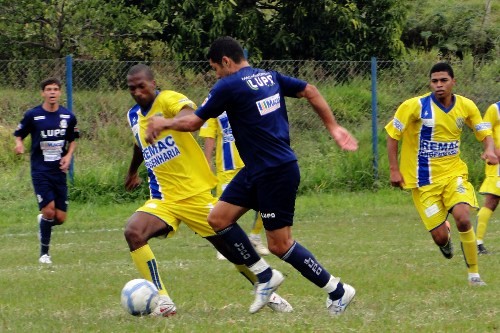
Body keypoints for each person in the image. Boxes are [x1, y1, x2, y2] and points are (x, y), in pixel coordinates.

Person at [145, 36, 358, 316]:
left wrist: (165, 122)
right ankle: (266, 276)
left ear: (225, 61)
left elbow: (194, 122)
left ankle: (338, 291)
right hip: (257, 169)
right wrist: (333, 126)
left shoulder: (228, 85)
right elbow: (311, 90)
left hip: (275, 172)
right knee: (218, 219)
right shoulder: (269, 76)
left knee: (280, 244)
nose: (216, 75)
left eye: (215, 69)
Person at [123, 64, 292, 317]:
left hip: (195, 194)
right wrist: (132, 171)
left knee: (231, 250)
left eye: (141, 86)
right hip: (164, 198)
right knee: (133, 232)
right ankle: (163, 300)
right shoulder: (133, 115)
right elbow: (140, 144)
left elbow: (190, 116)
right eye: (131, 88)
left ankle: (268, 290)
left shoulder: (168, 99)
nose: (137, 92)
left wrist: (165, 123)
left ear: (153, 83)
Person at [385, 62, 498, 286]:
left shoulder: (466, 106)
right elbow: (392, 134)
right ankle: (444, 235)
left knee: (463, 217)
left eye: (443, 80)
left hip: (453, 174)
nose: (439, 85)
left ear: (453, 82)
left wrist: (489, 149)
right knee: (440, 237)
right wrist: (394, 170)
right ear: (430, 83)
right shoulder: (414, 106)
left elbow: (484, 131)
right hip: (422, 181)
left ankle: (474, 275)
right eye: (434, 81)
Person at [13, 78, 78, 265]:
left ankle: (43, 221)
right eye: (48, 89)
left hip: (59, 171)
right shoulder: (33, 115)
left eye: (55, 89)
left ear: (59, 93)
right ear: (43, 93)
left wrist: (69, 156)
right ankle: (44, 254)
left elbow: (73, 139)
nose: (52, 92)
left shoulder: (68, 117)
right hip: (40, 170)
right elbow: (19, 134)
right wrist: (19, 145)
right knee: (50, 211)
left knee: (60, 217)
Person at [199, 112, 270, 260]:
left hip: (252, 161)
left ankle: (255, 238)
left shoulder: (247, 93)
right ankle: (226, 243)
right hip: (227, 167)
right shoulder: (214, 100)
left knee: (266, 199)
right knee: (222, 208)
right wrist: (207, 161)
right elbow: (209, 135)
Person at [477, 100, 500, 254]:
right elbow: (484, 131)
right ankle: (477, 242)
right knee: (492, 200)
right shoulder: (496, 109)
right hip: (498, 163)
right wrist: (491, 150)